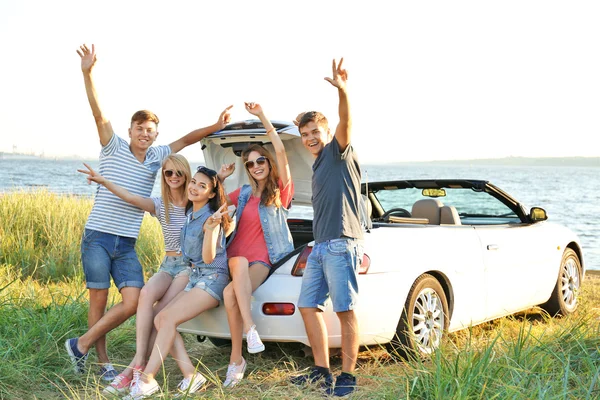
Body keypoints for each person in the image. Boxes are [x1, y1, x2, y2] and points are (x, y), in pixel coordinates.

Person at [65, 43, 232, 381]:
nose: (144, 133)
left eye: (150, 130)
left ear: (155, 134)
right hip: (98, 235)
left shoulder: (159, 157)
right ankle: (101, 362)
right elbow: (100, 114)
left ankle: (80, 345)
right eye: (139, 128)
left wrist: (215, 126)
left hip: (126, 241)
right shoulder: (112, 145)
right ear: (130, 131)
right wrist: (88, 72)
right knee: (97, 301)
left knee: (132, 301)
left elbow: (186, 140)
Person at [77, 154, 194, 395]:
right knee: (145, 294)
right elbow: (129, 197)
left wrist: (221, 177)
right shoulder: (159, 204)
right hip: (168, 264)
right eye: (168, 173)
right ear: (163, 176)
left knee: (159, 314)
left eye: (178, 173)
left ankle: (132, 370)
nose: (173, 177)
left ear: (186, 175)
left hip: (188, 267)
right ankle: (139, 359)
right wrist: (104, 181)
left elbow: (217, 195)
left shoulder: (195, 202)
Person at [292, 59, 365, 397]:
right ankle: (322, 371)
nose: (309, 138)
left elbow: (345, 121)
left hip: (341, 242)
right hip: (320, 246)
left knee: (344, 310)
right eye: (304, 134)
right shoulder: (318, 164)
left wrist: (344, 92)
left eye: (314, 133)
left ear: (326, 134)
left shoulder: (338, 151)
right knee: (308, 306)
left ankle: (347, 375)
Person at [126, 166, 231, 399]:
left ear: (211, 194)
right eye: (193, 182)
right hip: (195, 277)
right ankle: (190, 374)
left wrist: (212, 230)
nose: (193, 187)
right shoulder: (190, 214)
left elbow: (208, 258)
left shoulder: (208, 219)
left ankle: (146, 379)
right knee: (161, 318)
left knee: (167, 318)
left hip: (212, 279)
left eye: (201, 186)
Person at [217, 102, 294, 387]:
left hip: (262, 259)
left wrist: (261, 116)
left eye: (260, 160)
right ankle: (246, 338)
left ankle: (237, 359)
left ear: (268, 162)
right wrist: (220, 180)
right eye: (249, 163)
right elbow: (219, 204)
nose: (255, 166)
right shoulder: (245, 192)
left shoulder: (280, 191)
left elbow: (283, 151)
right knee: (230, 290)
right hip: (236, 257)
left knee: (229, 295)